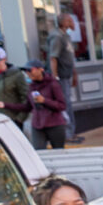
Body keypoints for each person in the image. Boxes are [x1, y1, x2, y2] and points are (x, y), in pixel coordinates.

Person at [46, 13, 81, 142]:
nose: (73, 23)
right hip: (60, 77)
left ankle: (71, 132)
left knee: (68, 104)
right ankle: (67, 134)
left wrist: (74, 73)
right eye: (71, 20)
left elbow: (69, 56)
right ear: (64, 22)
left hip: (66, 75)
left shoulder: (65, 35)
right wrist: (55, 78)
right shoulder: (57, 36)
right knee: (65, 105)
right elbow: (53, 58)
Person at [22, 58, 69, 150]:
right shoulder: (31, 86)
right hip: (37, 125)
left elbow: (62, 105)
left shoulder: (52, 84)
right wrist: (5, 105)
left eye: (30, 70)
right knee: (39, 152)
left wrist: (44, 100)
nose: (27, 73)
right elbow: (27, 107)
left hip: (54, 124)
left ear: (41, 69)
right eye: (26, 71)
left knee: (58, 152)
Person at [0, 45, 29, 131]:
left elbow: (26, 99)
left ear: (4, 59)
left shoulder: (16, 75)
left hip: (10, 120)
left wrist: (19, 119)